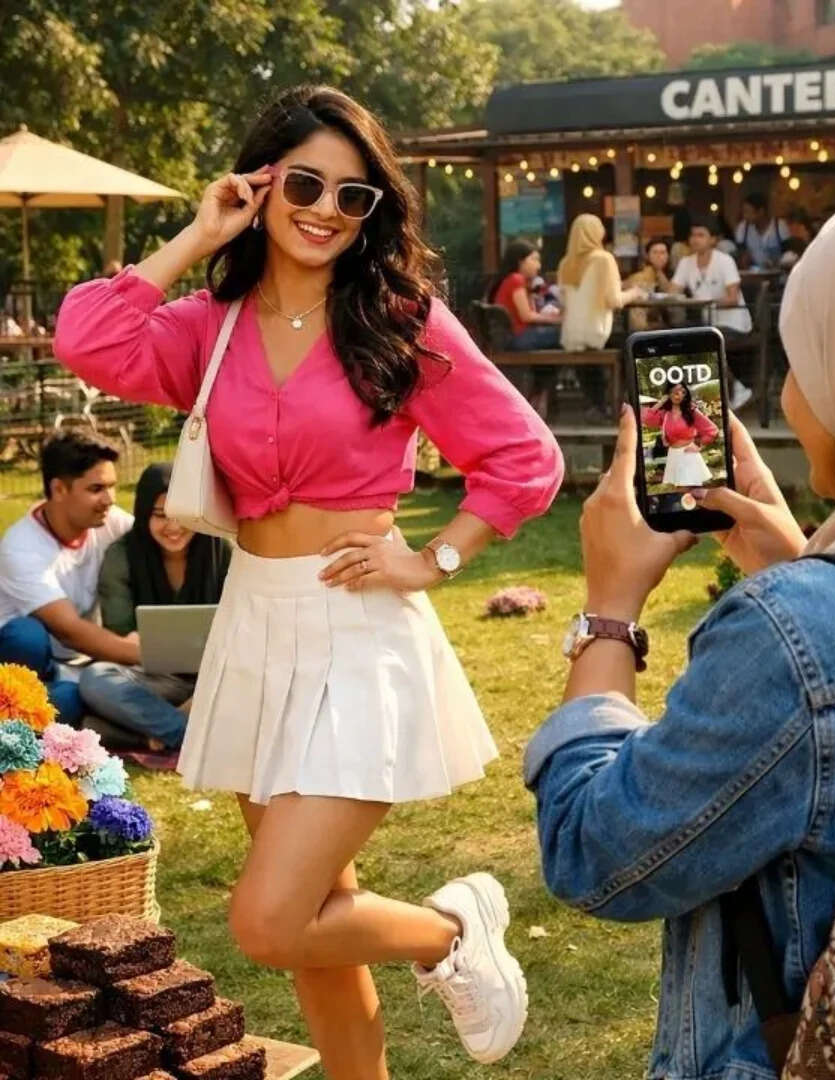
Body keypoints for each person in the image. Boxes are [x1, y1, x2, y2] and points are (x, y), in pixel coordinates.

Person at [54, 84, 563, 1071]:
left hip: (359, 627)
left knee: (271, 920)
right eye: (305, 183)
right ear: (261, 182)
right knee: (319, 930)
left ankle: (453, 932)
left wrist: (434, 556)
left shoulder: (397, 318)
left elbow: (524, 458)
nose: (327, 209)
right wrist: (197, 237)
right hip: (255, 627)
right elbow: (90, 339)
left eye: (354, 195)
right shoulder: (210, 324)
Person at [524, 177, 835, 1079]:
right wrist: (802, 569)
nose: (792, 393)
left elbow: (596, 851)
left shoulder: (792, 636)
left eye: (807, 358)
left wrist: (608, 612)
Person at [77, 462, 231, 753]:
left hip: (219, 677)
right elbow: (120, 632)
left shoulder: (218, 549)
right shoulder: (122, 556)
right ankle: (192, 735)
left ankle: (145, 733)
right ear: (144, 512)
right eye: (160, 516)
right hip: (153, 680)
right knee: (95, 679)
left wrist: (204, 690)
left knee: (93, 726)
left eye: (181, 516)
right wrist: (132, 642)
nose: (173, 528)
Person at [0, 431, 136, 725]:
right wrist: (149, 655)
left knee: (75, 698)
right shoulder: (21, 546)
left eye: (112, 487)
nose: (109, 499)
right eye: (96, 488)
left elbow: (156, 548)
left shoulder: (111, 522)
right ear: (59, 489)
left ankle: (37, 714)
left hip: (81, 662)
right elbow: (69, 630)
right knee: (27, 636)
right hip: (24, 661)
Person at [556, 213, 645, 422]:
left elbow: (565, 300)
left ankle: (596, 404)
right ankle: (626, 403)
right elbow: (613, 300)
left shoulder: (565, 263)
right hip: (597, 332)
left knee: (594, 357)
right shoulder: (604, 259)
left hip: (571, 335)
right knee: (635, 342)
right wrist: (635, 293)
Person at [672, 216, 755, 412]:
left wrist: (706, 302)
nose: (695, 239)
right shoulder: (686, 262)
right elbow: (673, 292)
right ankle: (707, 395)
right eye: (693, 235)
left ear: (713, 240)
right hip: (707, 324)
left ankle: (734, 389)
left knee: (702, 342)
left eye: (701, 235)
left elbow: (733, 298)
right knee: (680, 339)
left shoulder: (725, 261)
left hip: (733, 322)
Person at [641, 380, 719, 488]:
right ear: (668, 394)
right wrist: (660, 402)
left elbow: (712, 430)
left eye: (683, 392)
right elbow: (645, 419)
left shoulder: (691, 411)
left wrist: (698, 444)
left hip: (688, 455)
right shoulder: (665, 414)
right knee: (678, 491)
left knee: (692, 490)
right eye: (675, 392)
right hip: (673, 455)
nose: (679, 395)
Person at [489, 241, 562, 354]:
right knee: (565, 334)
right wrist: (558, 320)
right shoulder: (516, 280)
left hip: (517, 336)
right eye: (534, 259)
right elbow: (526, 316)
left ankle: (544, 371)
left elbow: (531, 313)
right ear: (520, 261)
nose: (538, 265)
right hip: (519, 337)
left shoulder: (516, 280)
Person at [623, 237, 684, 330]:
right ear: (647, 255)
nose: (659, 256)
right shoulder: (640, 274)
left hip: (670, 321)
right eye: (655, 252)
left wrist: (659, 273)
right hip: (644, 323)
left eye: (663, 252)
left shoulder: (675, 274)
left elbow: (671, 294)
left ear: (668, 255)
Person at [733, 193, 789, 272]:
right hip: (755, 275)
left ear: (761, 211)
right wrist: (743, 259)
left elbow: (789, 254)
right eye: (744, 212)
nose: (745, 216)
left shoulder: (779, 226)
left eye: (748, 212)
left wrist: (776, 262)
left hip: (778, 275)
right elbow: (740, 253)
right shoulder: (743, 228)